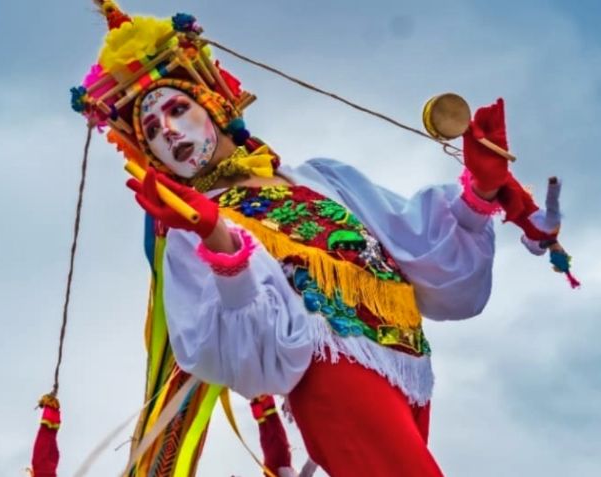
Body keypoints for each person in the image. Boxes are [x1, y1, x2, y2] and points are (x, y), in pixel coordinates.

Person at [72, 4, 563, 476]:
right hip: (331, 378)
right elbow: (234, 353)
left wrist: (479, 192)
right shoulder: (192, 229)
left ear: (217, 104)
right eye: (152, 129)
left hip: (406, 366)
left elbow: (419, 251)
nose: (171, 132)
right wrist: (217, 237)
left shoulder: (318, 178)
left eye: (179, 108)